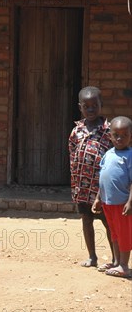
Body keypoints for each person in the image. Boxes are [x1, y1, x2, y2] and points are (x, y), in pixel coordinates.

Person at [68, 86, 115, 269]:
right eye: (86, 106)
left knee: (108, 222)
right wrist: (75, 185)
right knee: (86, 220)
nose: (90, 109)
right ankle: (92, 257)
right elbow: (72, 157)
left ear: (101, 105)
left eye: (94, 105)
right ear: (80, 107)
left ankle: (116, 258)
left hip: (102, 188)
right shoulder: (76, 131)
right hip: (82, 187)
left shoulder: (109, 131)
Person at [92, 116, 132, 278]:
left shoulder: (130, 156)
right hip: (108, 203)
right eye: (116, 135)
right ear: (110, 135)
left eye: (124, 135)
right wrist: (97, 198)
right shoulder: (108, 154)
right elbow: (103, 178)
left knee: (124, 235)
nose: (120, 138)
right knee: (114, 233)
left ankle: (124, 266)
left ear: (131, 136)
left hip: (122, 204)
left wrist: (130, 202)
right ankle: (116, 262)